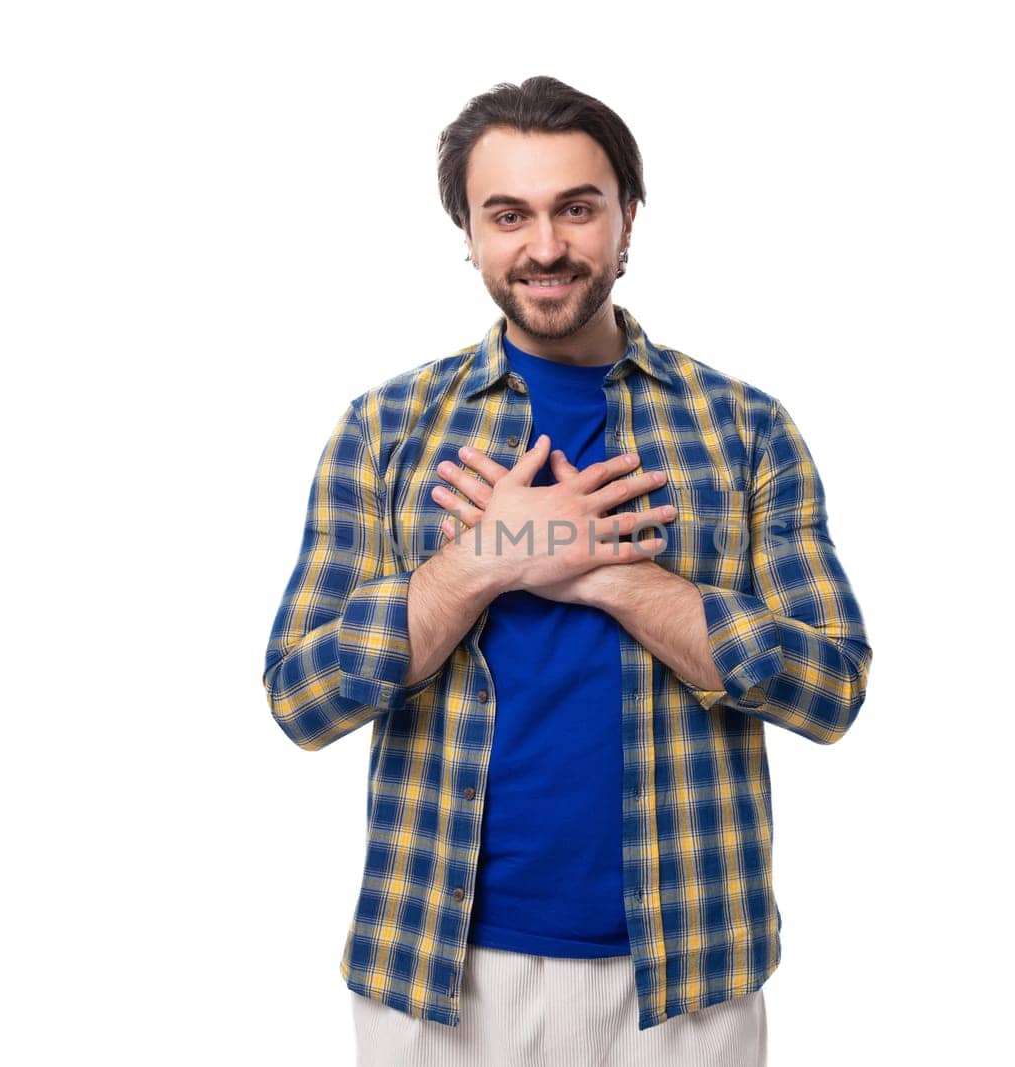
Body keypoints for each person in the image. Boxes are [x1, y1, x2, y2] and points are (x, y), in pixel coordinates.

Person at [262, 75, 873, 1067]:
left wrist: (613, 574)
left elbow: (831, 687)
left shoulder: (744, 429)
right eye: (508, 214)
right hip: (436, 975)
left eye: (576, 208)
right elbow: (301, 697)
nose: (544, 246)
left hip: (686, 977)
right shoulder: (385, 430)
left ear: (628, 216)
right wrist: (485, 559)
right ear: (467, 229)